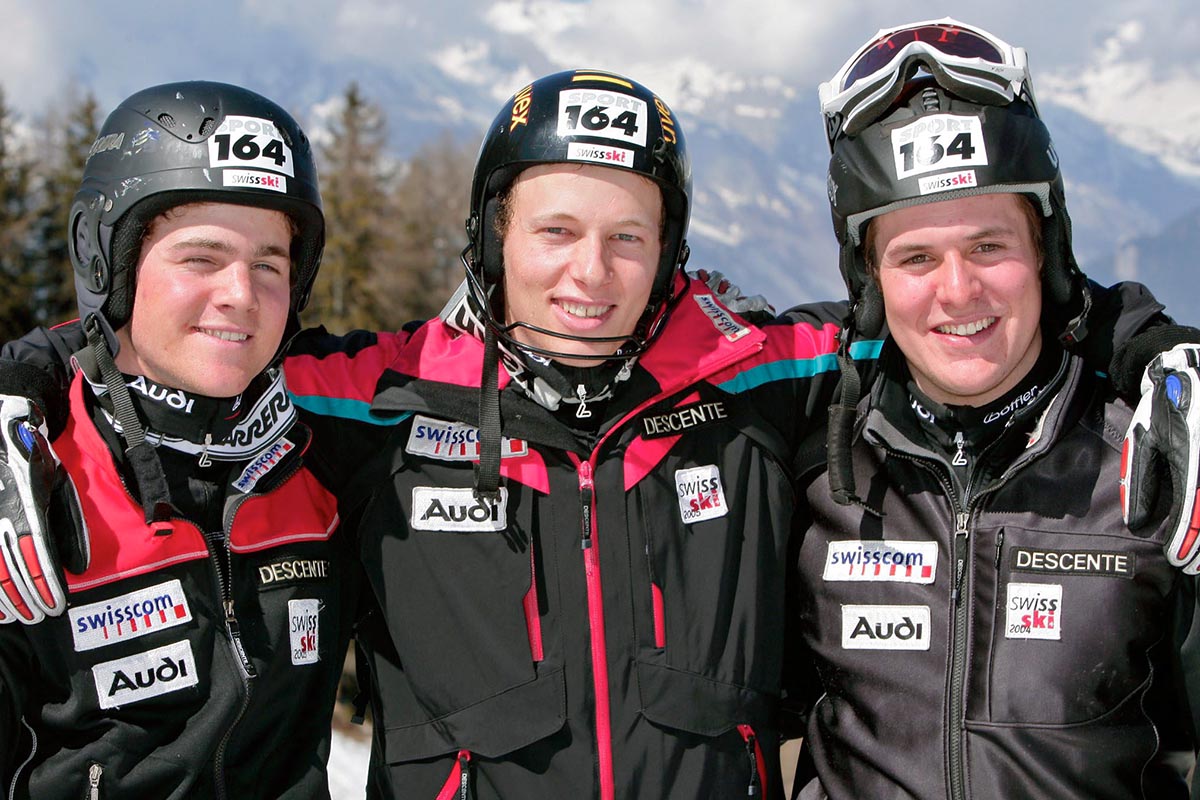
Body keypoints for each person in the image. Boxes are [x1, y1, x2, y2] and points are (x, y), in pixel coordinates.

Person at [0, 65, 1194, 800]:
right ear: (491, 239)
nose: (592, 272)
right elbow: (180, 350)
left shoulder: (760, 378)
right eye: (555, 230)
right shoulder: (372, 400)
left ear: (670, 252)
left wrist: (1161, 354)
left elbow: (975, 317)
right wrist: (20, 384)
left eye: (629, 236)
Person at [787, 18, 1200, 798]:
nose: (957, 290)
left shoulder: (1151, 458)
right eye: (915, 257)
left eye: (988, 247)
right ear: (868, 281)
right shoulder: (813, 445)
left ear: (1045, 250)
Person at [0, 81, 362, 798]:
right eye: (201, 257)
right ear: (111, 261)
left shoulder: (331, 451)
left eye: (269, 263)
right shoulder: (35, 478)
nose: (241, 292)